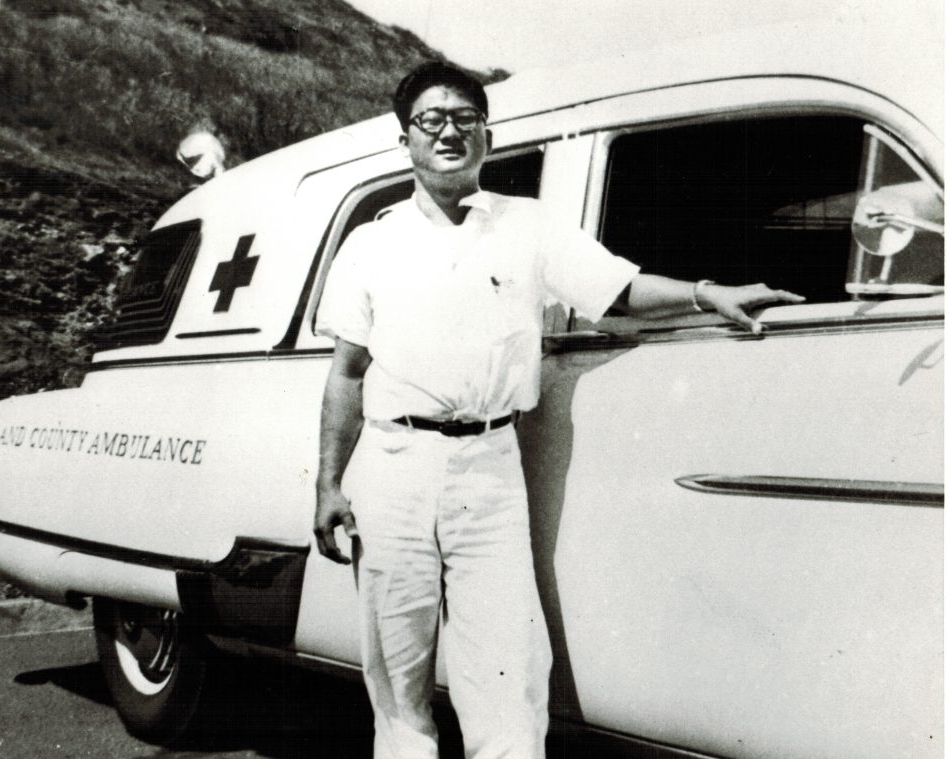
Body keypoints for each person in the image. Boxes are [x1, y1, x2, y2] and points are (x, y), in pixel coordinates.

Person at [313, 61, 804, 759]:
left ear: (487, 135)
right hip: (394, 466)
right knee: (397, 666)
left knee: (509, 663)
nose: (449, 130)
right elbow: (347, 374)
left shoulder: (529, 225)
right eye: (431, 119)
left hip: (489, 465)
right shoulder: (371, 243)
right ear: (406, 139)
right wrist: (328, 483)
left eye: (465, 118)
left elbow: (620, 289)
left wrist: (706, 292)